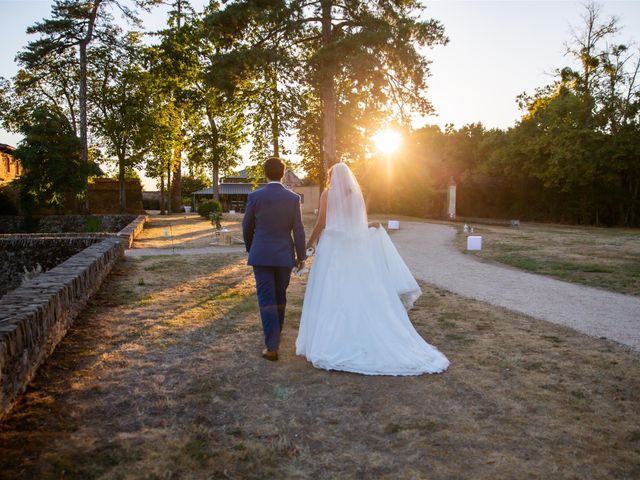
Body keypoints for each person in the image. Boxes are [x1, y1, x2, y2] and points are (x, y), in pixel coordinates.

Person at [295, 162, 449, 375]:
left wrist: (310, 242)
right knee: (356, 289)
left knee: (330, 290)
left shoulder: (327, 194)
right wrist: (371, 225)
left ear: (333, 177)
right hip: (352, 247)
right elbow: (356, 224)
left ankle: (333, 338)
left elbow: (321, 222)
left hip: (332, 246)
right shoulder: (355, 195)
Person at [242, 157, 306, 361]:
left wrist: (252, 248)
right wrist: (301, 256)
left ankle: (272, 345)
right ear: (284, 173)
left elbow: (247, 226)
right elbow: (298, 229)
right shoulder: (293, 198)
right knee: (280, 296)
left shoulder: (255, 196)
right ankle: (274, 337)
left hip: (261, 254)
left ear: (265, 173)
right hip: (283, 255)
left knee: (266, 299)